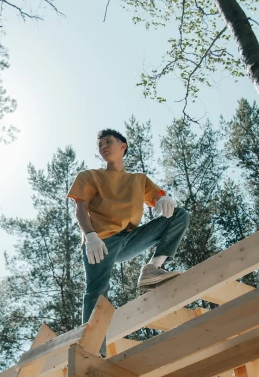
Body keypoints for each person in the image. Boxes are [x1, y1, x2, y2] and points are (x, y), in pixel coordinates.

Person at [67, 129, 190, 354]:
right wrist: (91, 236)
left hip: (129, 238)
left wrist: (163, 198)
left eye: (108, 142)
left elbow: (156, 197)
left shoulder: (138, 180)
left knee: (180, 215)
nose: (103, 146)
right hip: (101, 242)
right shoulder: (90, 176)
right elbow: (80, 209)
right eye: (100, 144)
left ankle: (153, 269)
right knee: (97, 290)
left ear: (123, 146)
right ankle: (93, 351)